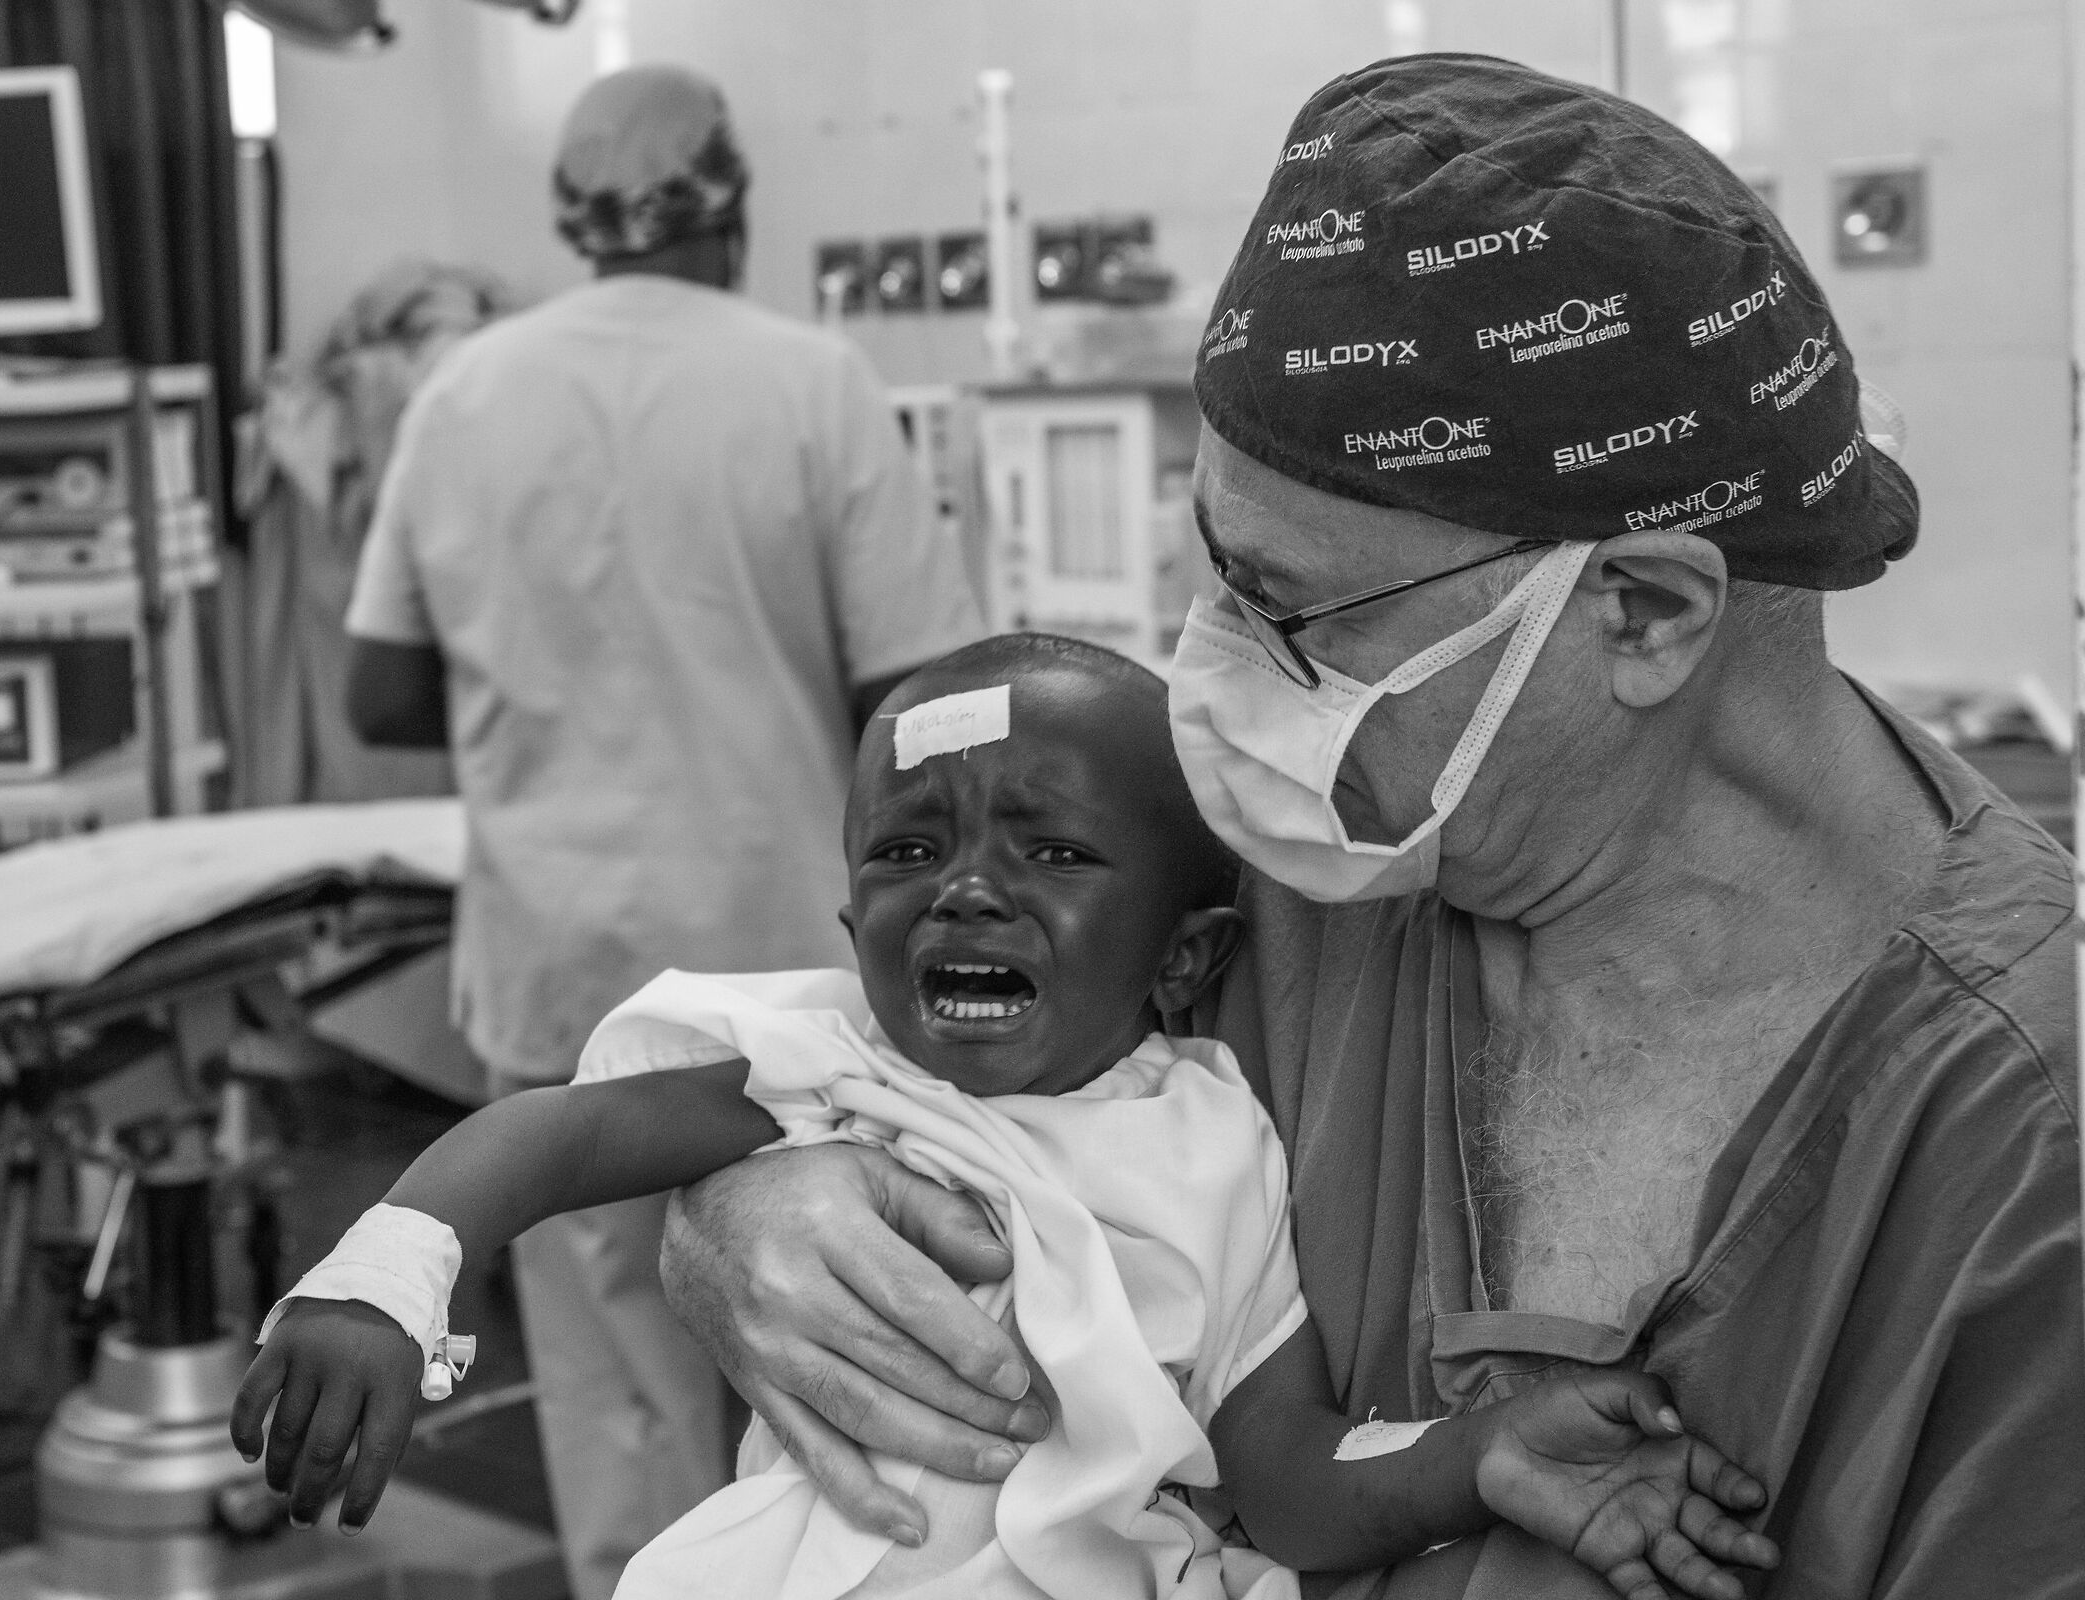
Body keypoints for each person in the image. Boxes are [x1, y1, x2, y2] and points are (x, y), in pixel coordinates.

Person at [657, 55, 2085, 1599]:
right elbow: (912, 1081)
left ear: (1642, 608)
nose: (1218, 682)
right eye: (1216, 578)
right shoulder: (1292, 865)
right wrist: (750, 1210)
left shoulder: (2020, 1150)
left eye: (1295, 616)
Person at [242, 636, 1778, 1600]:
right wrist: (383, 1277)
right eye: (910, 849)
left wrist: (1489, 1458)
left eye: (1049, 854)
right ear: (849, 931)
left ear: (1186, 957)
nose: (967, 886)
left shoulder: (1216, 1151)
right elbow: (554, 1138)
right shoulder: (834, 1075)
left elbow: (1293, 1487)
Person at [338, 63, 982, 1600]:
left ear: (571, 222)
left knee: (614, 1359)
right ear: (736, 208)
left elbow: (375, 691)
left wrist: (548, 692)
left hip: (558, 957)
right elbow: (927, 704)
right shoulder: (809, 382)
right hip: (776, 984)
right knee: (828, 1335)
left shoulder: (463, 394)